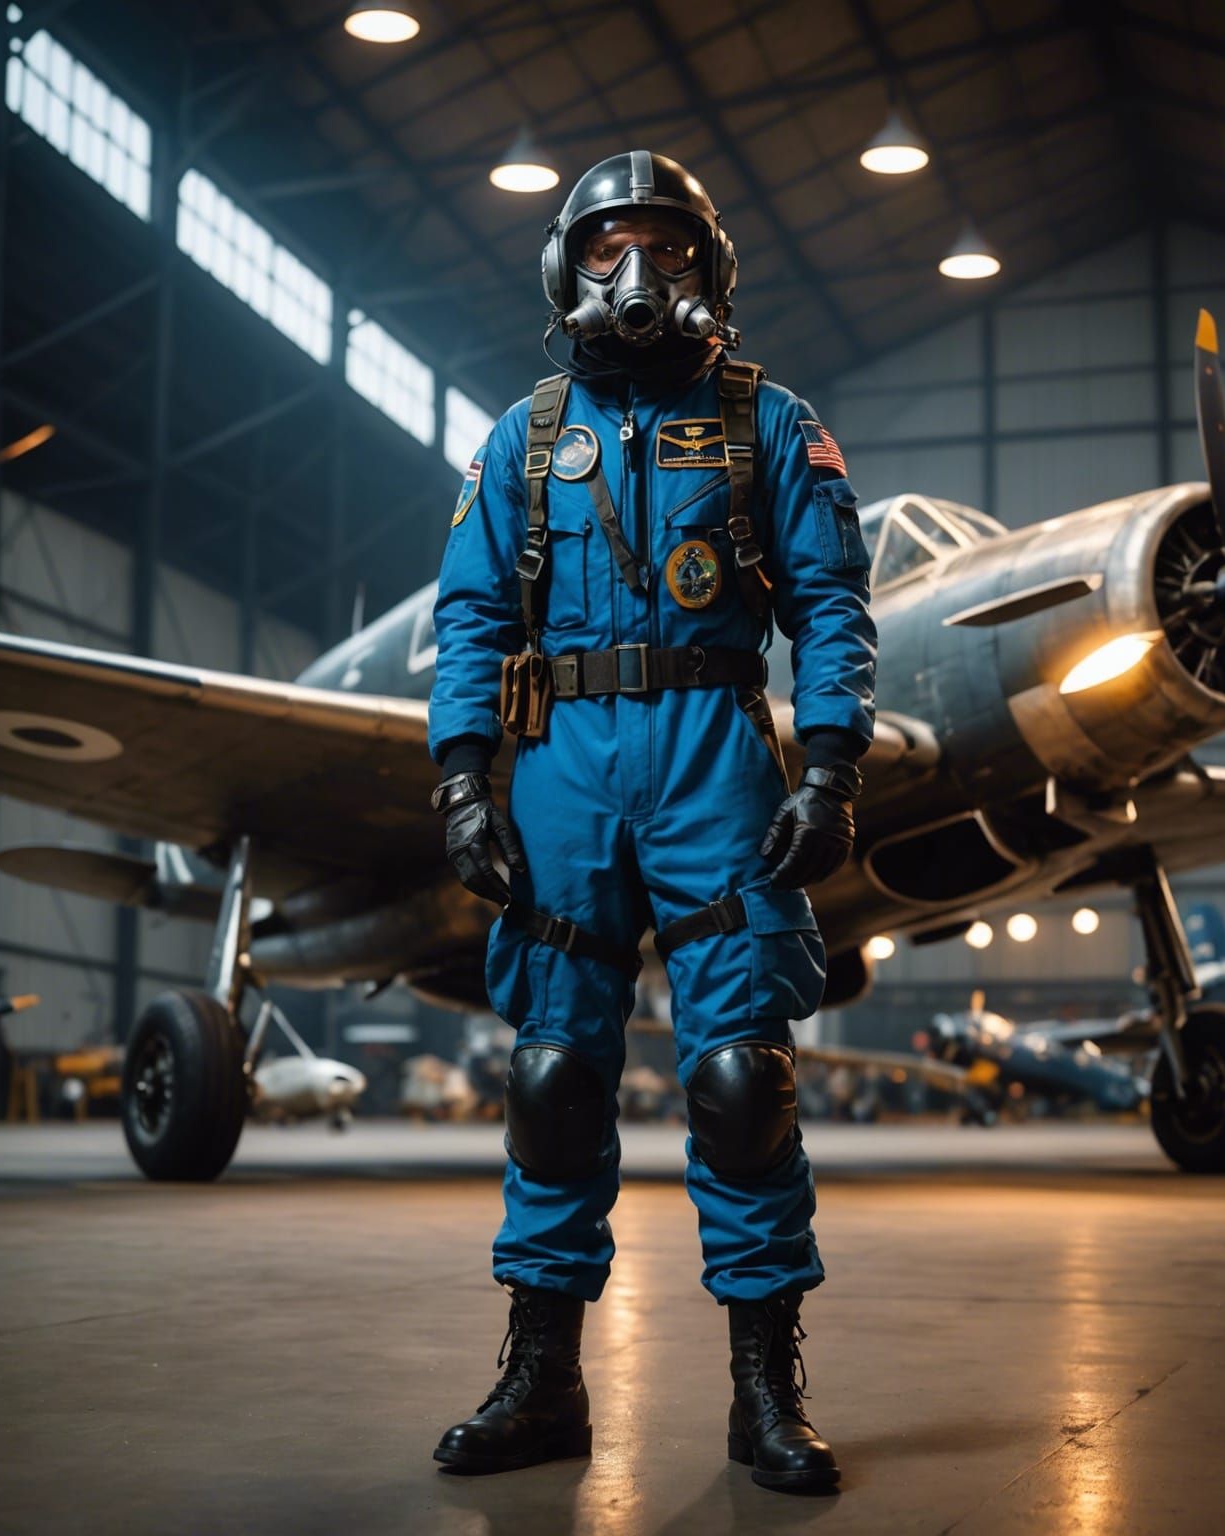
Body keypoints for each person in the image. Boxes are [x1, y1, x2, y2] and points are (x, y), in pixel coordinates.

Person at [426, 151, 876, 1494]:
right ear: (569, 267)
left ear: (710, 270)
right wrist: (461, 777)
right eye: (611, 244)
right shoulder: (522, 434)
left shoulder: (770, 423)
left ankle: (763, 1391)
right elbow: (470, 614)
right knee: (554, 1078)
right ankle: (541, 1379)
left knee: (742, 1080)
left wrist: (832, 764)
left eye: (667, 248)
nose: (638, 273)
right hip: (562, 757)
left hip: (713, 755)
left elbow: (833, 604)